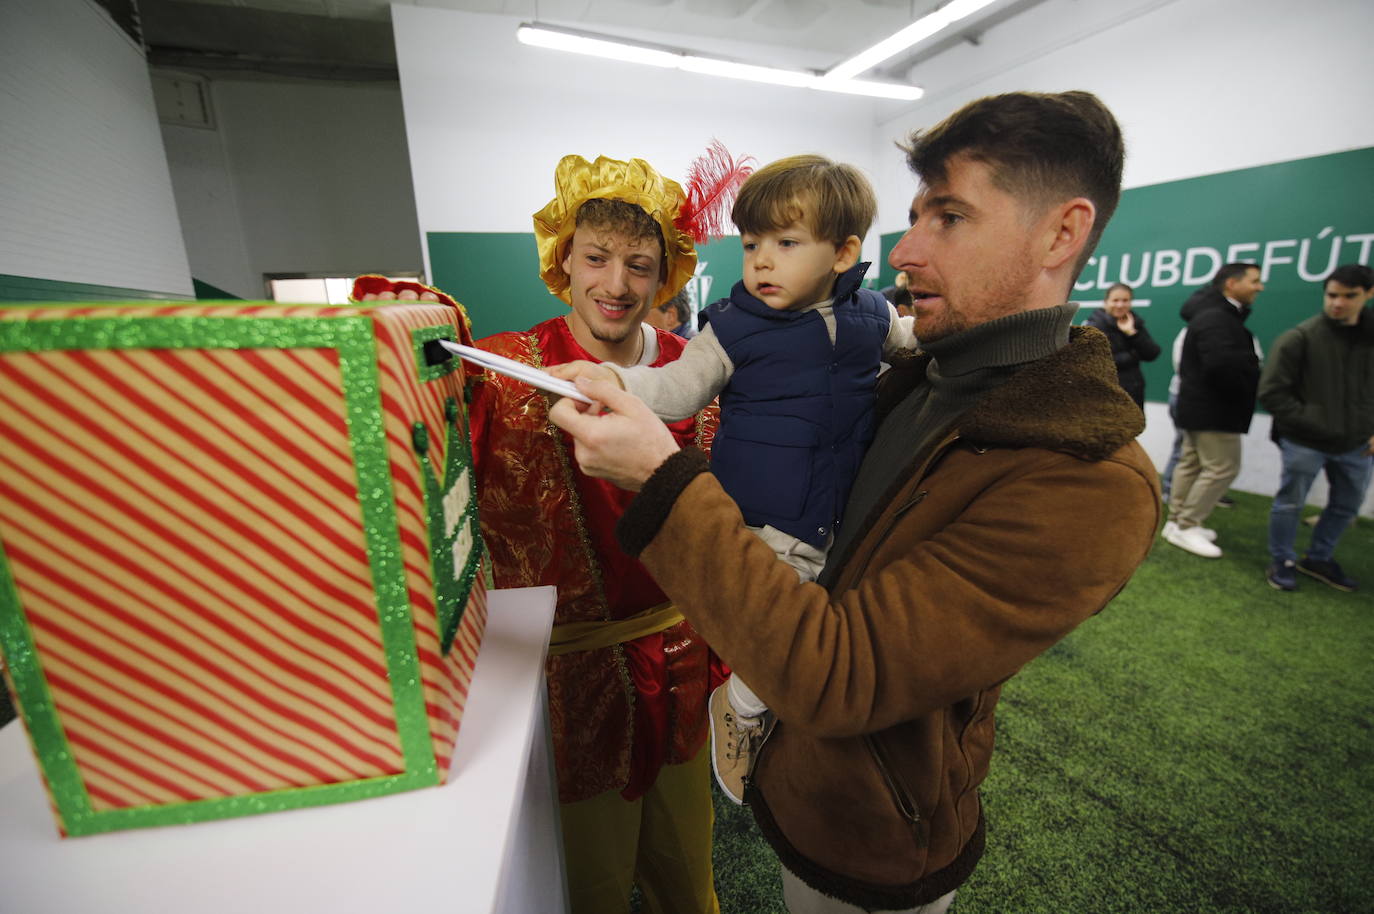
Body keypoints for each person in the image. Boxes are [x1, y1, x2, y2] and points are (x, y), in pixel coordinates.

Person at [549, 90, 1159, 914]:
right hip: (803, 787)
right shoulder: (920, 373)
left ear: (1062, 232)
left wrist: (664, 479)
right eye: (912, 216)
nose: (903, 250)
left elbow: (839, 676)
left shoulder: (1086, 479)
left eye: (948, 217)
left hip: (878, 835)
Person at [362, 154, 722, 914]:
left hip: (682, 666)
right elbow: (398, 409)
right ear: (563, 260)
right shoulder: (499, 369)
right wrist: (396, 319)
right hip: (565, 688)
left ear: (666, 276)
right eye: (595, 258)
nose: (616, 284)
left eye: (638, 264)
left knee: (686, 877)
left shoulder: (700, 371)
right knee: (585, 887)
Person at [550, 154, 917, 805]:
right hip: (766, 515)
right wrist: (617, 381)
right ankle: (742, 711)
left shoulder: (872, 317)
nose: (763, 262)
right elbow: (676, 388)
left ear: (844, 253)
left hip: (837, 513)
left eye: (785, 242)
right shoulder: (733, 328)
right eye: (751, 245)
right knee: (784, 629)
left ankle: (771, 715)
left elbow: (915, 344)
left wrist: (961, 330)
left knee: (839, 620)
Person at [1259, 263, 1374, 591]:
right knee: (1290, 502)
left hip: (1357, 444)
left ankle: (1319, 558)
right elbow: (1272, 392)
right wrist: (1310, 424)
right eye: (1332, 295)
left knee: (1347, 505)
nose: (1338, 303)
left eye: (1349, 296)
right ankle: (1283, 559)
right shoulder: (1301, 338)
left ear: (1368, 294)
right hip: (1305, 442)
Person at [1161, 262, 1264, 558]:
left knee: (1191, 462)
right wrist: (1248, 378)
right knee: (1222, 467)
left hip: (1200, 406)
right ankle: (1186, 525)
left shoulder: (1213, 315)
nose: (1260, 287)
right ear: (1232, 284)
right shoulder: (1217, 318)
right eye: (1254, 281)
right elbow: (1222, 366)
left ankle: (1177, 521)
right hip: (1214, 409)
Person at [1083, 282, 1160, 409]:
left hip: (1134, 395)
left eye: (1125, 300)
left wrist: (1132, 333)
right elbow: (1097, 361)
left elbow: (1152, 353)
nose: (1120, 305)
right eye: (1115, 300)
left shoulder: (1135, 323)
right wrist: (1133, 355)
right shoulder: (1095, 327)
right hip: (1106, 397)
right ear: (1106, 302)